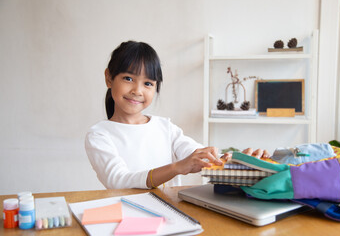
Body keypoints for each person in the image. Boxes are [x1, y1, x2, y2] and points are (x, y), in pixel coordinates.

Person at [85, 40, 270, 189]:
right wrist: (176, 168)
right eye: (128, 78)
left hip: (170, 216)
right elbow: (117, 181)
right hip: (126, 220)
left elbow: (200, 156)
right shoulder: (99, 134)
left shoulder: (165, 127)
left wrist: (240, 160)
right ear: (109, 78)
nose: (137, 90)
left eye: (148, 83)